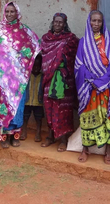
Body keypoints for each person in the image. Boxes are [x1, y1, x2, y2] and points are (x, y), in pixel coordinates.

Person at [0, 2, 41, 148]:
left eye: (13, 11)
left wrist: (22, 62)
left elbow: (34, 45)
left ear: (17, 13)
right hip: (2, 76)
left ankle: (14, 135)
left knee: (17, 105)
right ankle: (3, 136)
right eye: (8, 11)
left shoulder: (24, 31)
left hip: (18, 76)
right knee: (3, 105)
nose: (10, 14)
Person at [74, 10, 110, 165]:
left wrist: (101, 81)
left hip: (106, 86)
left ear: (102, 22)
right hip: (89, 86)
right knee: (88, 117)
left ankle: (108, 150)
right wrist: (92, 80)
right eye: (93, 21)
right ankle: (85, 149)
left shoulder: (108, 40)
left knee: (106, 115)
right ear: (89, 22)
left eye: (99, 21)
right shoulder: (83, 42)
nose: (96, 24)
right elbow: (79, 65)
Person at [41, 13, 79, 152]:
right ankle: (50, 136)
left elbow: (76, 56)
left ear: (65, 24)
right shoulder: (46, 39)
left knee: (63, 109)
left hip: (64, 79)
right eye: (55, 22)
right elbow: (43, 57)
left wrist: (62, 65)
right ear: (52, 23)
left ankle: (63, 139)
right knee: (49, 108)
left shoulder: (70, 39)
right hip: (48, 79)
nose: (57, 24)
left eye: (60, 22)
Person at [20, 54, 44, 142]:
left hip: (38, 101)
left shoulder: (42, 76)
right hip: (27, 100)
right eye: (34, 65)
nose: (36, 68)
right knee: (25, 117)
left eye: (38, 66)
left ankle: (38, 133)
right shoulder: (27, 75)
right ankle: (24, 132)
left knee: (39, 118)